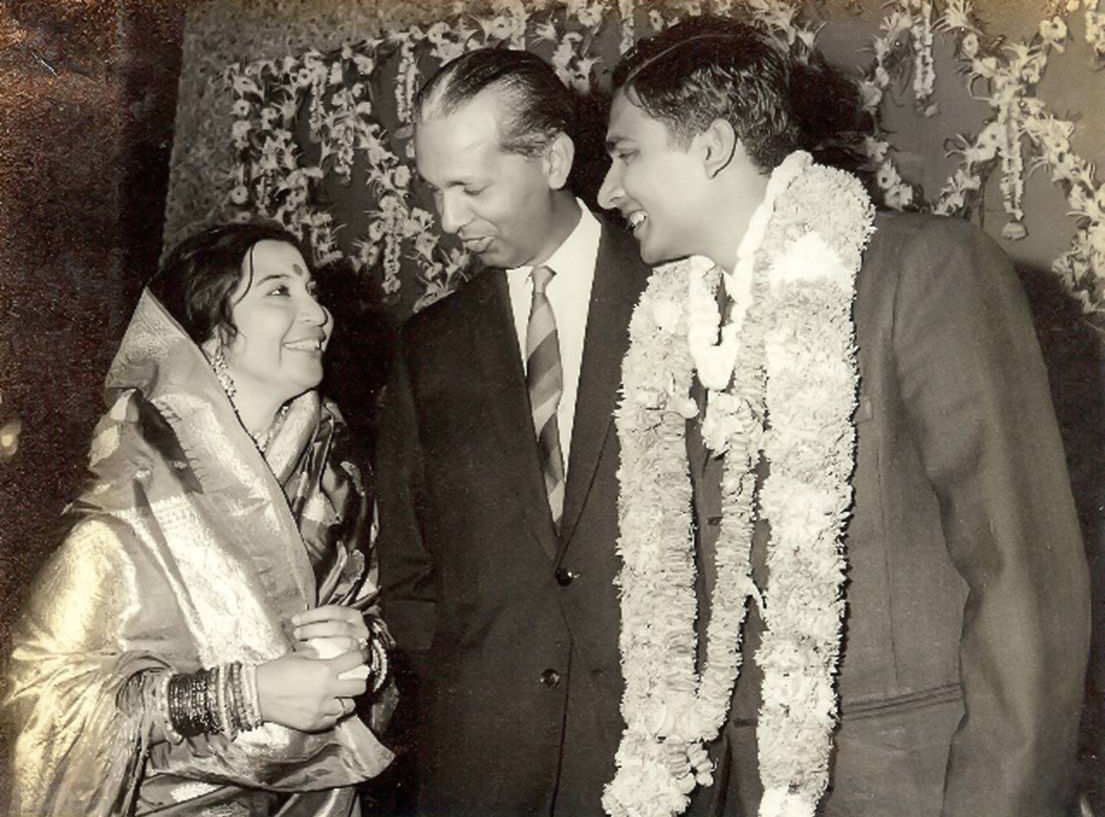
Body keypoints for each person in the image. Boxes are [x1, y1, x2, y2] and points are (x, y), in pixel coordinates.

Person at [595, 16, 1090, 817]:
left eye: (625, 154)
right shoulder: (676, 325)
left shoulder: (921, 270)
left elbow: (1024, 577)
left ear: (713, 145)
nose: (608, 191)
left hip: (922, 789)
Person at [4, 222, 395, 816]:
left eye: (312, 290)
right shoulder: (128, 501)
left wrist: (366, 651)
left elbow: (383, 625)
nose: (318, 314)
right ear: (210, 333)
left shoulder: (336, 480)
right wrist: (241, 695)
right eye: (279, 292)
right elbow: (42, 710)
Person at [374, 49, 650, 817]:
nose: (447, 219)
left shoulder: (678, 288)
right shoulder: (430, 344)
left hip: (648, 754)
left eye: (471, 187)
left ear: (553, 159)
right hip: (480, 770)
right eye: (435, 190)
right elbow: (407, 567)